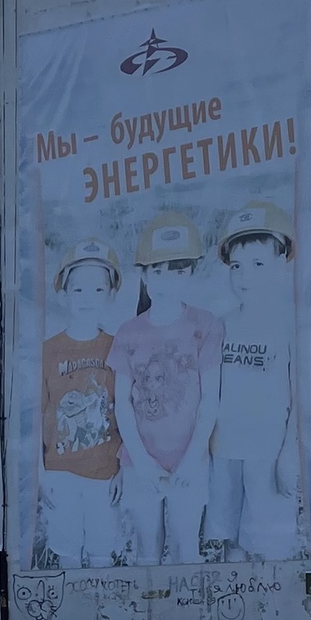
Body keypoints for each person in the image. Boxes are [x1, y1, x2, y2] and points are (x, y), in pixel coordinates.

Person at [110, 210, 222, 563]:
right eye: (156, 271)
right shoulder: (128, 332)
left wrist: (190, 462)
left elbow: (209, 401)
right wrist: (142, 463)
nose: (166, 280)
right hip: (140, 461)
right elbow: (122, 404)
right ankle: (148, 619)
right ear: (143, 275)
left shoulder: (206, 325)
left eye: (177, 270)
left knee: (185, 547)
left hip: (190, 458)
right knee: (147, 548)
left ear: (191, 271)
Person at [206, 199, 301, 560]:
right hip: (225, 451)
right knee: (230, 541)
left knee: (267, 543)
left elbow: (299, 398)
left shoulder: (290, 324)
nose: (245, 276)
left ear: (281, 264)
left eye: (258, 264)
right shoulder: (223, 323)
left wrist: (288, 456)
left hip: (268, 452)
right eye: (236, 266)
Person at [38, 240, 129, 567]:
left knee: (101, 552)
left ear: (111, 294)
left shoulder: (117, 346)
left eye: (97, 290)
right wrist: (40, 473)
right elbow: (37, 416)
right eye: (78, 290)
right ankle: (70, 619)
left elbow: (126, 411)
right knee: (67, 552)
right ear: (63, 294)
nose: (87, 299)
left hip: (105, 472)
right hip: (60, 473)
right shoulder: (48, 351)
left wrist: (123, 469)